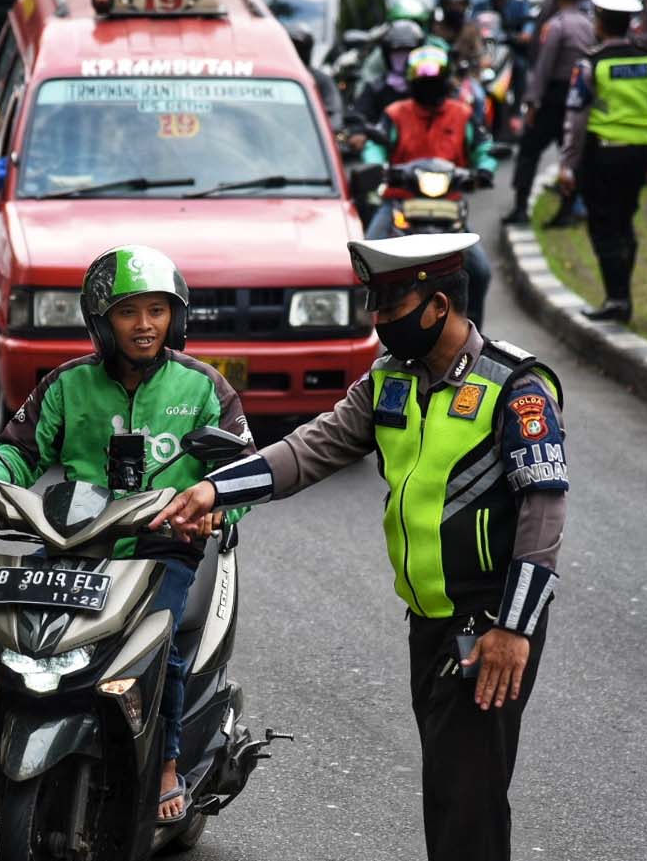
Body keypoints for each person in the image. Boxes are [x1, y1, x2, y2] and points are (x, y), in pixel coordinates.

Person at [150, 232, 568, 861]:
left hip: (488, 621)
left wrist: (514, 628)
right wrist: (215, 489)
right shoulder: (391, 380)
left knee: (468, 796)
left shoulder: (515, 386)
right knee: (451, 788)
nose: (378, 321)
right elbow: (309, 450)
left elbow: (543, 509)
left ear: (438, 306)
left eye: (392, 306)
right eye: (374, 304)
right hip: (429, 621)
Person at [0, 245, 253, 823]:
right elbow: (18, 450)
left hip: (163, 548)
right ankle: (7, 759)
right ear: (101, 321)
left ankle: (166, 764)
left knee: (158, 642)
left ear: (176, 317)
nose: (144, 325)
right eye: (128, 312)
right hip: (76, 543)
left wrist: (217, 510)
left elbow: (241, 470)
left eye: (157, 310)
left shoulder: (204, 387)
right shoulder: (66, 384)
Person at [362, 47, 497, 329]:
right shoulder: (395, 114)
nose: (429, 87)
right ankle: (364, 326)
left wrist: (484, 169)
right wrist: (376, 166)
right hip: (400, 201)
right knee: (366, 262)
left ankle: (474, 336)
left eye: (435, 81)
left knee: (480, 271)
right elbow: (375, 145)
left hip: (449, 207)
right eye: (423, 81)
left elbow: (484, 147)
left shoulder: (462, 114)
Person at [557, 0, 647, 323]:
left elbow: (576, 119)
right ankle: (622, 295)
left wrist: (567, 164)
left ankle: (617, 298)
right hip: (637, 157)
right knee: (624, 222)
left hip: (602, 158)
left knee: (603, 226)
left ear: (600, 22)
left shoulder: (591, 65)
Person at [502, 0, 594, 226]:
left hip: (554, 96)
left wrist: (532, 102)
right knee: (572, 154)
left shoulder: (555, 25)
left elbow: (544, 67)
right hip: (579, 98)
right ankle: (567, 210)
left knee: (528, 151)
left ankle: (521, 208)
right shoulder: (588, 24)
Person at [349, 19, 428, 146]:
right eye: (397, 53)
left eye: (407, 53)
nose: (402, 59)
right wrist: (358, 132)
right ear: (387, 54)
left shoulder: (428, 86)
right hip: (385, 149)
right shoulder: (376, 88)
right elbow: (357, 117)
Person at [289, 22, 345, 133]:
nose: (296, 51)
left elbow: (334, 116)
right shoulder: (274, 78)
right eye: (292, 46)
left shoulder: (322, 81)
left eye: (300, 47)